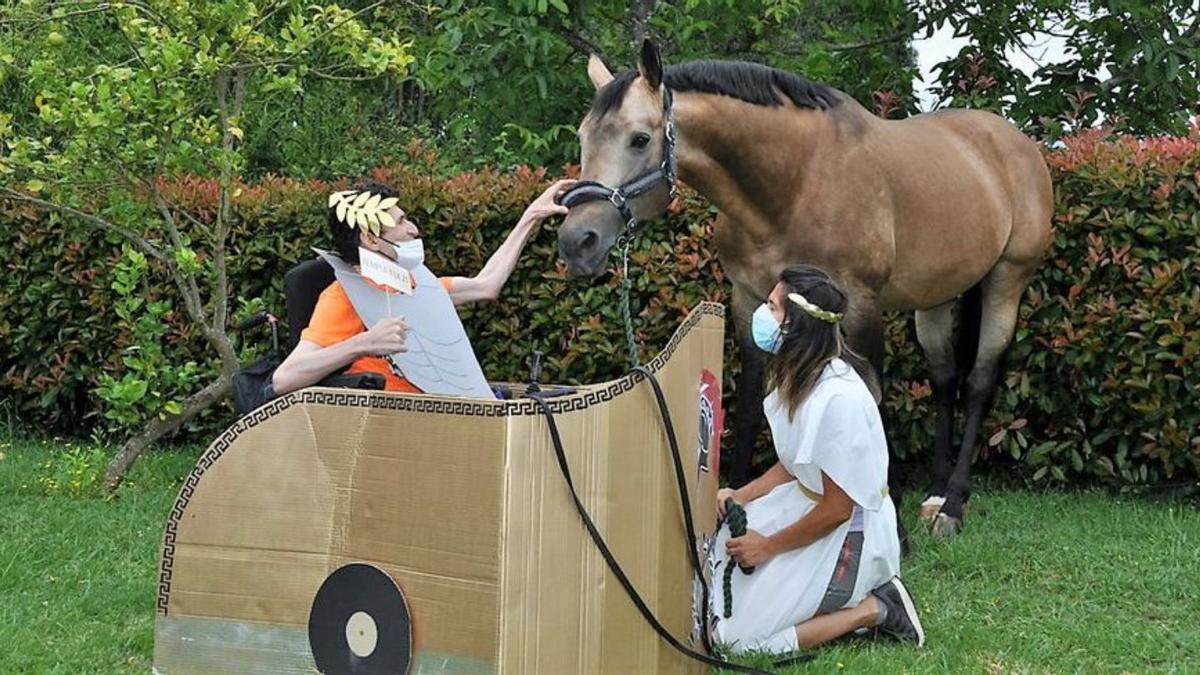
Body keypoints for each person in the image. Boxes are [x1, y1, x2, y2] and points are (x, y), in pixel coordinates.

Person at [708, 265, 924, 653]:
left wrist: (769, 546)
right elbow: (797, 462)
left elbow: (838, 509)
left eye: (772, 307)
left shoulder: (838, 399)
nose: (762, 313)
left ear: (797, 326)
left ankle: (877, 608)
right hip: (807, 505)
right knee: (712, 573)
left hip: (847, 535)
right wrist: (743, 495)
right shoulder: (800, 377)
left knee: (737, 641)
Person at [271, 177, 575, 396]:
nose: (413, 229)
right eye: (401, 222)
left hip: (441, 412)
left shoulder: (414, 282)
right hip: (392, 428)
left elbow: (486, 285)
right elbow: (285, 378)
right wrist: (363, 343)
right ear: (371, 239)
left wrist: (531, 216)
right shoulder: (345, 295)